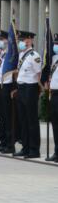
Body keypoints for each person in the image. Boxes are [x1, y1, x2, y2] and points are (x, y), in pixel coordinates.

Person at [13, 31, 41, 158]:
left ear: (29, 40)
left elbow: (38, 74)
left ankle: (34, 149)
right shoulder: (21, 55)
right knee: (23, 120)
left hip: (30, 88)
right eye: (20, 40)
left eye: (23, 40)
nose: (21, 42)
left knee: (31, 120)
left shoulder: (34, 55)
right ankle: (25, 147)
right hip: (21, 88)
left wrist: (38, 91)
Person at [0, 31, 15, 153]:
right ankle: (3, 141)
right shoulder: (2, 55)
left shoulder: (11, 55)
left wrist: (14, 88)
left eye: (2, 39)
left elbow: (15, 73)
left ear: (7, 41)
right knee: (1, 117)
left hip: (7, 87)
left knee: (7, 116)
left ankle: (10, 144)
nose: (0, 41)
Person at [46, 33, 58, 162]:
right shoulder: (54, 59)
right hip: (54, 93)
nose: (55, 46)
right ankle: (56, 151)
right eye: (55, 44)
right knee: (55, 124)